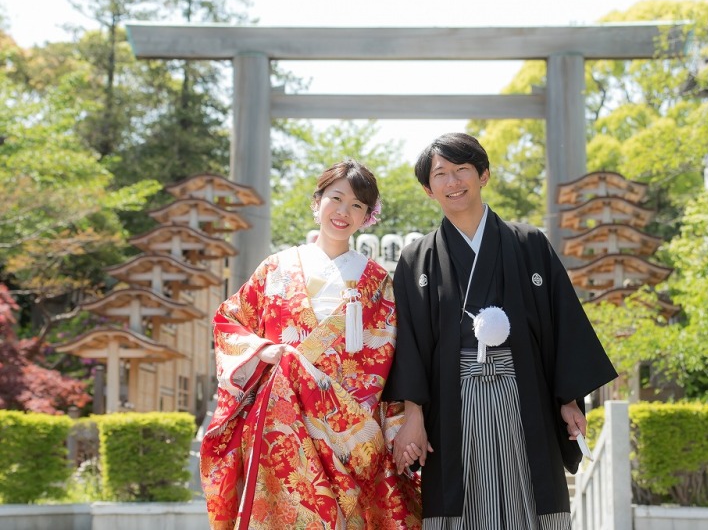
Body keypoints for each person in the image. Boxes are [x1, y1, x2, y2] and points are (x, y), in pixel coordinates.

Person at [382, 133, 618, 529]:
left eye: (463, 170)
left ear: (484, 175)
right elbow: (412, 344)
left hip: (523, 392)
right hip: (452, 402)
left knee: (530, 498)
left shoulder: (529, 244)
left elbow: (561, 322)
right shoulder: (415, 259)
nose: (453, 182)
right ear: (428, 189)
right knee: (460, 506)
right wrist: (413, 415)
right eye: (441, 174)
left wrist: (569, 400)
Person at [200, 159, 421, 529]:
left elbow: (389, 354)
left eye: (357, 206)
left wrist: (394, 424)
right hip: (282, 418)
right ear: (316, 201)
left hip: (349, 423)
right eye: (336, 198)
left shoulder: (376, 280)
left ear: (367, 216)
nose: (344, 212)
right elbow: (229, 321)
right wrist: (264, 351)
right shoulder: (276, 268)